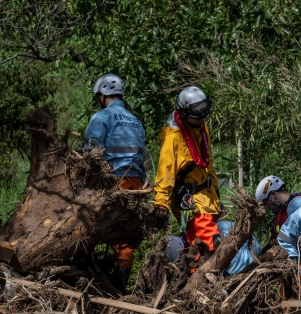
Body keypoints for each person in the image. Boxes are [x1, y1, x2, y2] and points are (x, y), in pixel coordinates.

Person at [84, 74, 147, 290]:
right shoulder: (136, 122)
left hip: (111, 181)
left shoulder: (100, 118)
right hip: (135, 183)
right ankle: (120, 282)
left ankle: (82, 269)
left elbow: (91, 154)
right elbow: (142, 158)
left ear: (102, 95)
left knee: (89, 224)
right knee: (124, 234)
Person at [153, 87, 221, 256]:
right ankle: (207, 275)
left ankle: (198, 276)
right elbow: (165, 171)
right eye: (196, 115)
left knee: (195, 246)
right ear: (183, 112)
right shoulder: (173, 137)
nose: (200, 119)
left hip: (207, 197)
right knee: (210, 242)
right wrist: (161, 203)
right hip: (190, 200)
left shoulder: (202, 129)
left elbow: (208, 163)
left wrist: (216, 193)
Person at [254, 175, 301, 246]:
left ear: (273, 194)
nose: (268, 207)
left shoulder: (297, 204)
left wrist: (277, 241)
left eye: (267, 202)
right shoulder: (283, 211)